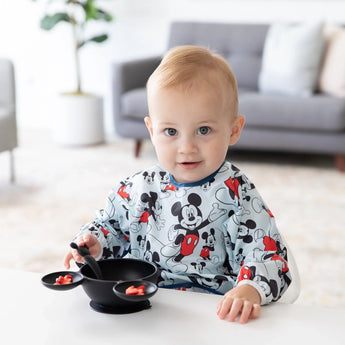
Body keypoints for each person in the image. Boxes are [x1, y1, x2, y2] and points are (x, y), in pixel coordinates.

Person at [64, 45, 291, 323]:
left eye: (203, 130)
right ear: (151, 130)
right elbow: (112, 227)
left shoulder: (235, 193)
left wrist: (249, 289)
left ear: (234, 130)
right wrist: (93, 243)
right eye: (170, 131)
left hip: (210, 311)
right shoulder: (137, 188)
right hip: (142, 304)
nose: (187, 147)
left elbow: (267, 254)